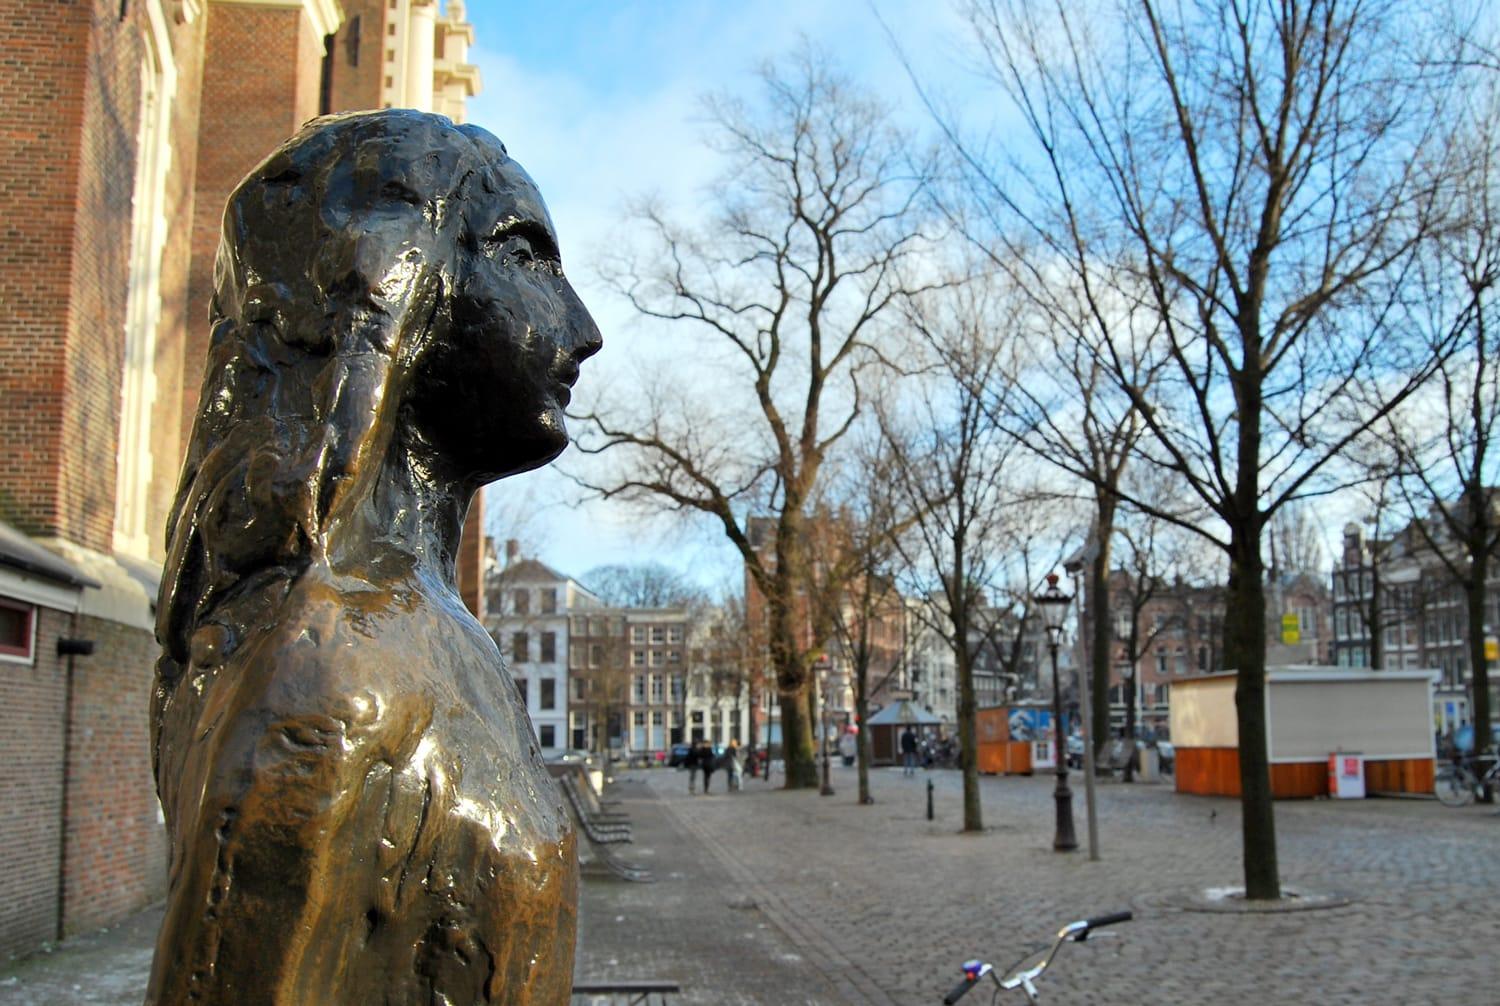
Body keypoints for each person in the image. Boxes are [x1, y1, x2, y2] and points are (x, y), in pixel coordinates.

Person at [146, 110, 601, 1005]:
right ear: (391, 281)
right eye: (523, 255)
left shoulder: (437, 637)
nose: (582, 328)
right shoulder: (331, 676)